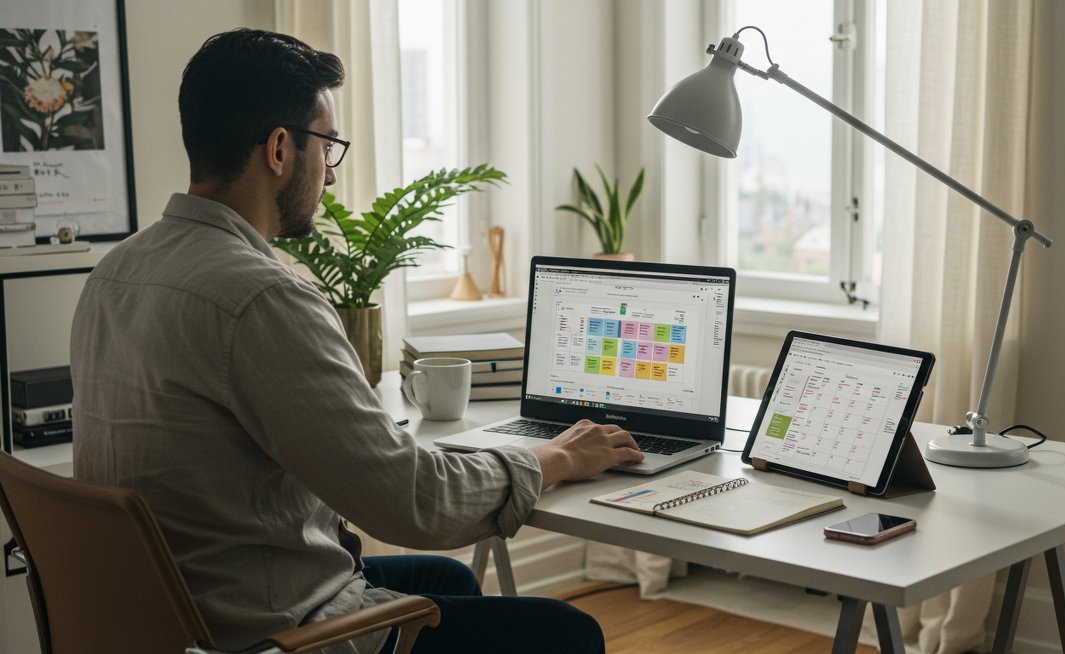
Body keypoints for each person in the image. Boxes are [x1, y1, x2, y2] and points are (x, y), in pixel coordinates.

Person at [69, 29, 642, 654]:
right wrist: (556, 457)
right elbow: (413, 503)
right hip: (268, 634)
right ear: (281, 149)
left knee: (442, 579)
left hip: (170, 614)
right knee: (568, 634)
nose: (332, 176)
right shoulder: (262, 297)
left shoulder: (116, 270)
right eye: (329, 146)